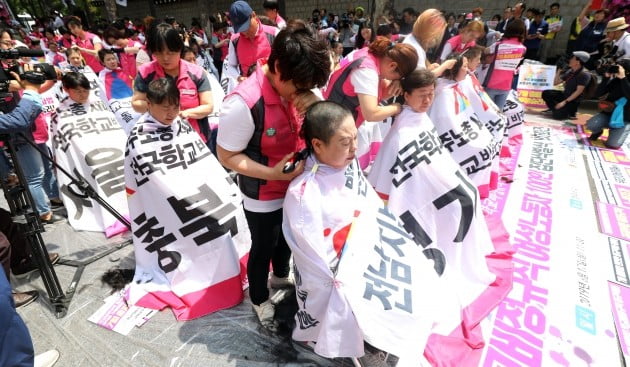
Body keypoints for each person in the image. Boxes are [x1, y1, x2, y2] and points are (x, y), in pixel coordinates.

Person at [283, 101, 447, 366]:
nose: (354, 149)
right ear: (318, 145)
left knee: (421, 289)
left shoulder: (346, 164)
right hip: (342, 269)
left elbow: (367, 205)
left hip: (367, 248)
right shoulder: (304, 194)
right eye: (345, 142)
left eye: (355, 139)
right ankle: (331, 341)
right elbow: (316, 261)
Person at [217, 20, 331, 331]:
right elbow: (226, 155)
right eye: (301, 87)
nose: (305, 92)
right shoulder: (244, 103)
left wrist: (314, 107)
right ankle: (258, 297)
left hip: (294, 183)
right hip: (264, 191)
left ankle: (281, 274)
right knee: (264, 244)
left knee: (289, 236)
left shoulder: (300, 83)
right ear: (278, 67)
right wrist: (270, 172)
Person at [124, 77, 250, 320]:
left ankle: (237, 270)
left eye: (175, 106)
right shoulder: (138, 136)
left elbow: (205, 163)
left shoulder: (181, 125)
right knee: (207, 223)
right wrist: (185, 194)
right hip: (168, 202)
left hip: (198, 189)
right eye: (165, 107)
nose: (171, 113)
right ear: (149, 104)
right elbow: (154, 184)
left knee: (233, 206)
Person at [132, 23, 213, 143]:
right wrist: (159, 109)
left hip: (196, 137)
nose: (165, 58)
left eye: (170, 53)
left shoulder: (196, 73)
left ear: (179, 49)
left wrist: (184, 113)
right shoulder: (146, 73)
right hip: (159, 139)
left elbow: (208, 106)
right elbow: (136, 103)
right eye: (159, 53)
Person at [324, 36, 418, 128]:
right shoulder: (367, 72)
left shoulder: (369, 53)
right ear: (392, 66)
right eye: (400, 76)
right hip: (331, 125)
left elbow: (380, 93)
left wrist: (397, 81)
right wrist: (396, 107)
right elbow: (371, 114)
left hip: (331, 112)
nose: (394, 80)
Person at [225, 0, 278, 82]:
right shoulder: (234, 39)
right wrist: (239, 78)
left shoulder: (274, 34)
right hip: (249, 89)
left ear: (253, 15)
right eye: (241, 29)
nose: (245, 32)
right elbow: (231, 66)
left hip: (272, 87)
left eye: (247, 26)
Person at [482, 19, 527, 109]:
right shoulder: (523, 48)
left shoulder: (498, 45)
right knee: (499, 114)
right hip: (507, 85)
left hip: (491, 83)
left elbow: (486, 51)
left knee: (488, 111)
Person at [586, 59, 630, 148]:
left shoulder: (622, 80)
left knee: (612, 145)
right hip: (609, 114)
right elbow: (597, 94)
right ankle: (598, 131)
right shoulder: (616, 81)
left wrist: (623, 79)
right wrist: (606, 78)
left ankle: (614, 131)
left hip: (624, 118)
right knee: (591, 125)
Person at [402, 9, 457, 76]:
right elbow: (421, 80)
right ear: (428, 30)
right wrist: (444, 66)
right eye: (436, 35)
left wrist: (428, 68)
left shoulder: (413, 40)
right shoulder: (415, 48)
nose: (436, 39)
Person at [542, 51, 592, 120]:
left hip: (572, 101)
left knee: (558, 116)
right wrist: (559, 70)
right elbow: (555, 83)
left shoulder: (584, 74)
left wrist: (564, 102)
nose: (570, 60)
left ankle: (568, 113)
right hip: (565, 95)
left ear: (578, 62)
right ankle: (556, 109)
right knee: (546, 93)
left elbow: (578, 91)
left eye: (572, 58)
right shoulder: (571, 71)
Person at [575, 3, 609, 70]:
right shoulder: (587, 23)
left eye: (601, 14)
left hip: (591, 56)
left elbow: (608, 39)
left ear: (604, 17)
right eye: (597, 13)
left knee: (586, 74)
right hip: (579, 54)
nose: (598, 15)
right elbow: (581, 17)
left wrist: (599, 42)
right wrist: (587, 6)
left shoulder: (605, 28)